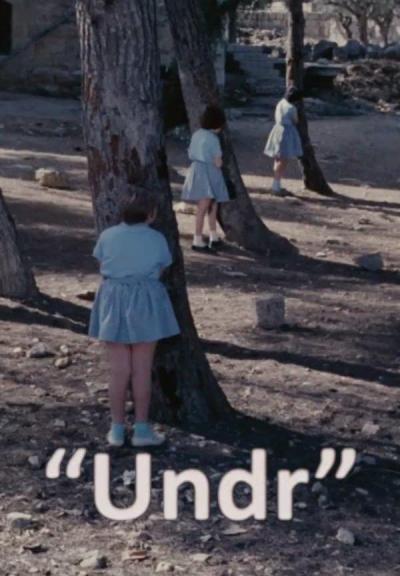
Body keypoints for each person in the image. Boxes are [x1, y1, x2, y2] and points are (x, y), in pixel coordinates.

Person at [89, 189, 180, 448]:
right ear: (150, 215)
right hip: (146, 302)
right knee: (142, 370)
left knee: (119, 371)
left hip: (113, 301)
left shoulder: (108, 235)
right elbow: (161, 268)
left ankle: (116, 430)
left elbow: (102, 265)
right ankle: (141, 430)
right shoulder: (157, 238)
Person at [182, 105, 230, 252]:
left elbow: (190, 152)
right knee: (206, 207)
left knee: (210, 205)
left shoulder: (197, 134)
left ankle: (213, 237)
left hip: (197, 170)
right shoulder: (213, 139)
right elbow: (218, 161)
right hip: (210, 172)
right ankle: (198, 240)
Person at [264, 86, 304, 196]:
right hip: (286, 133)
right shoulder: (292, 108)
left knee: (278, 158)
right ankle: (276, 186)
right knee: (283, 160)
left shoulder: (280, 102)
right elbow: (295, 120)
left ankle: (277, 184)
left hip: (277, 130)